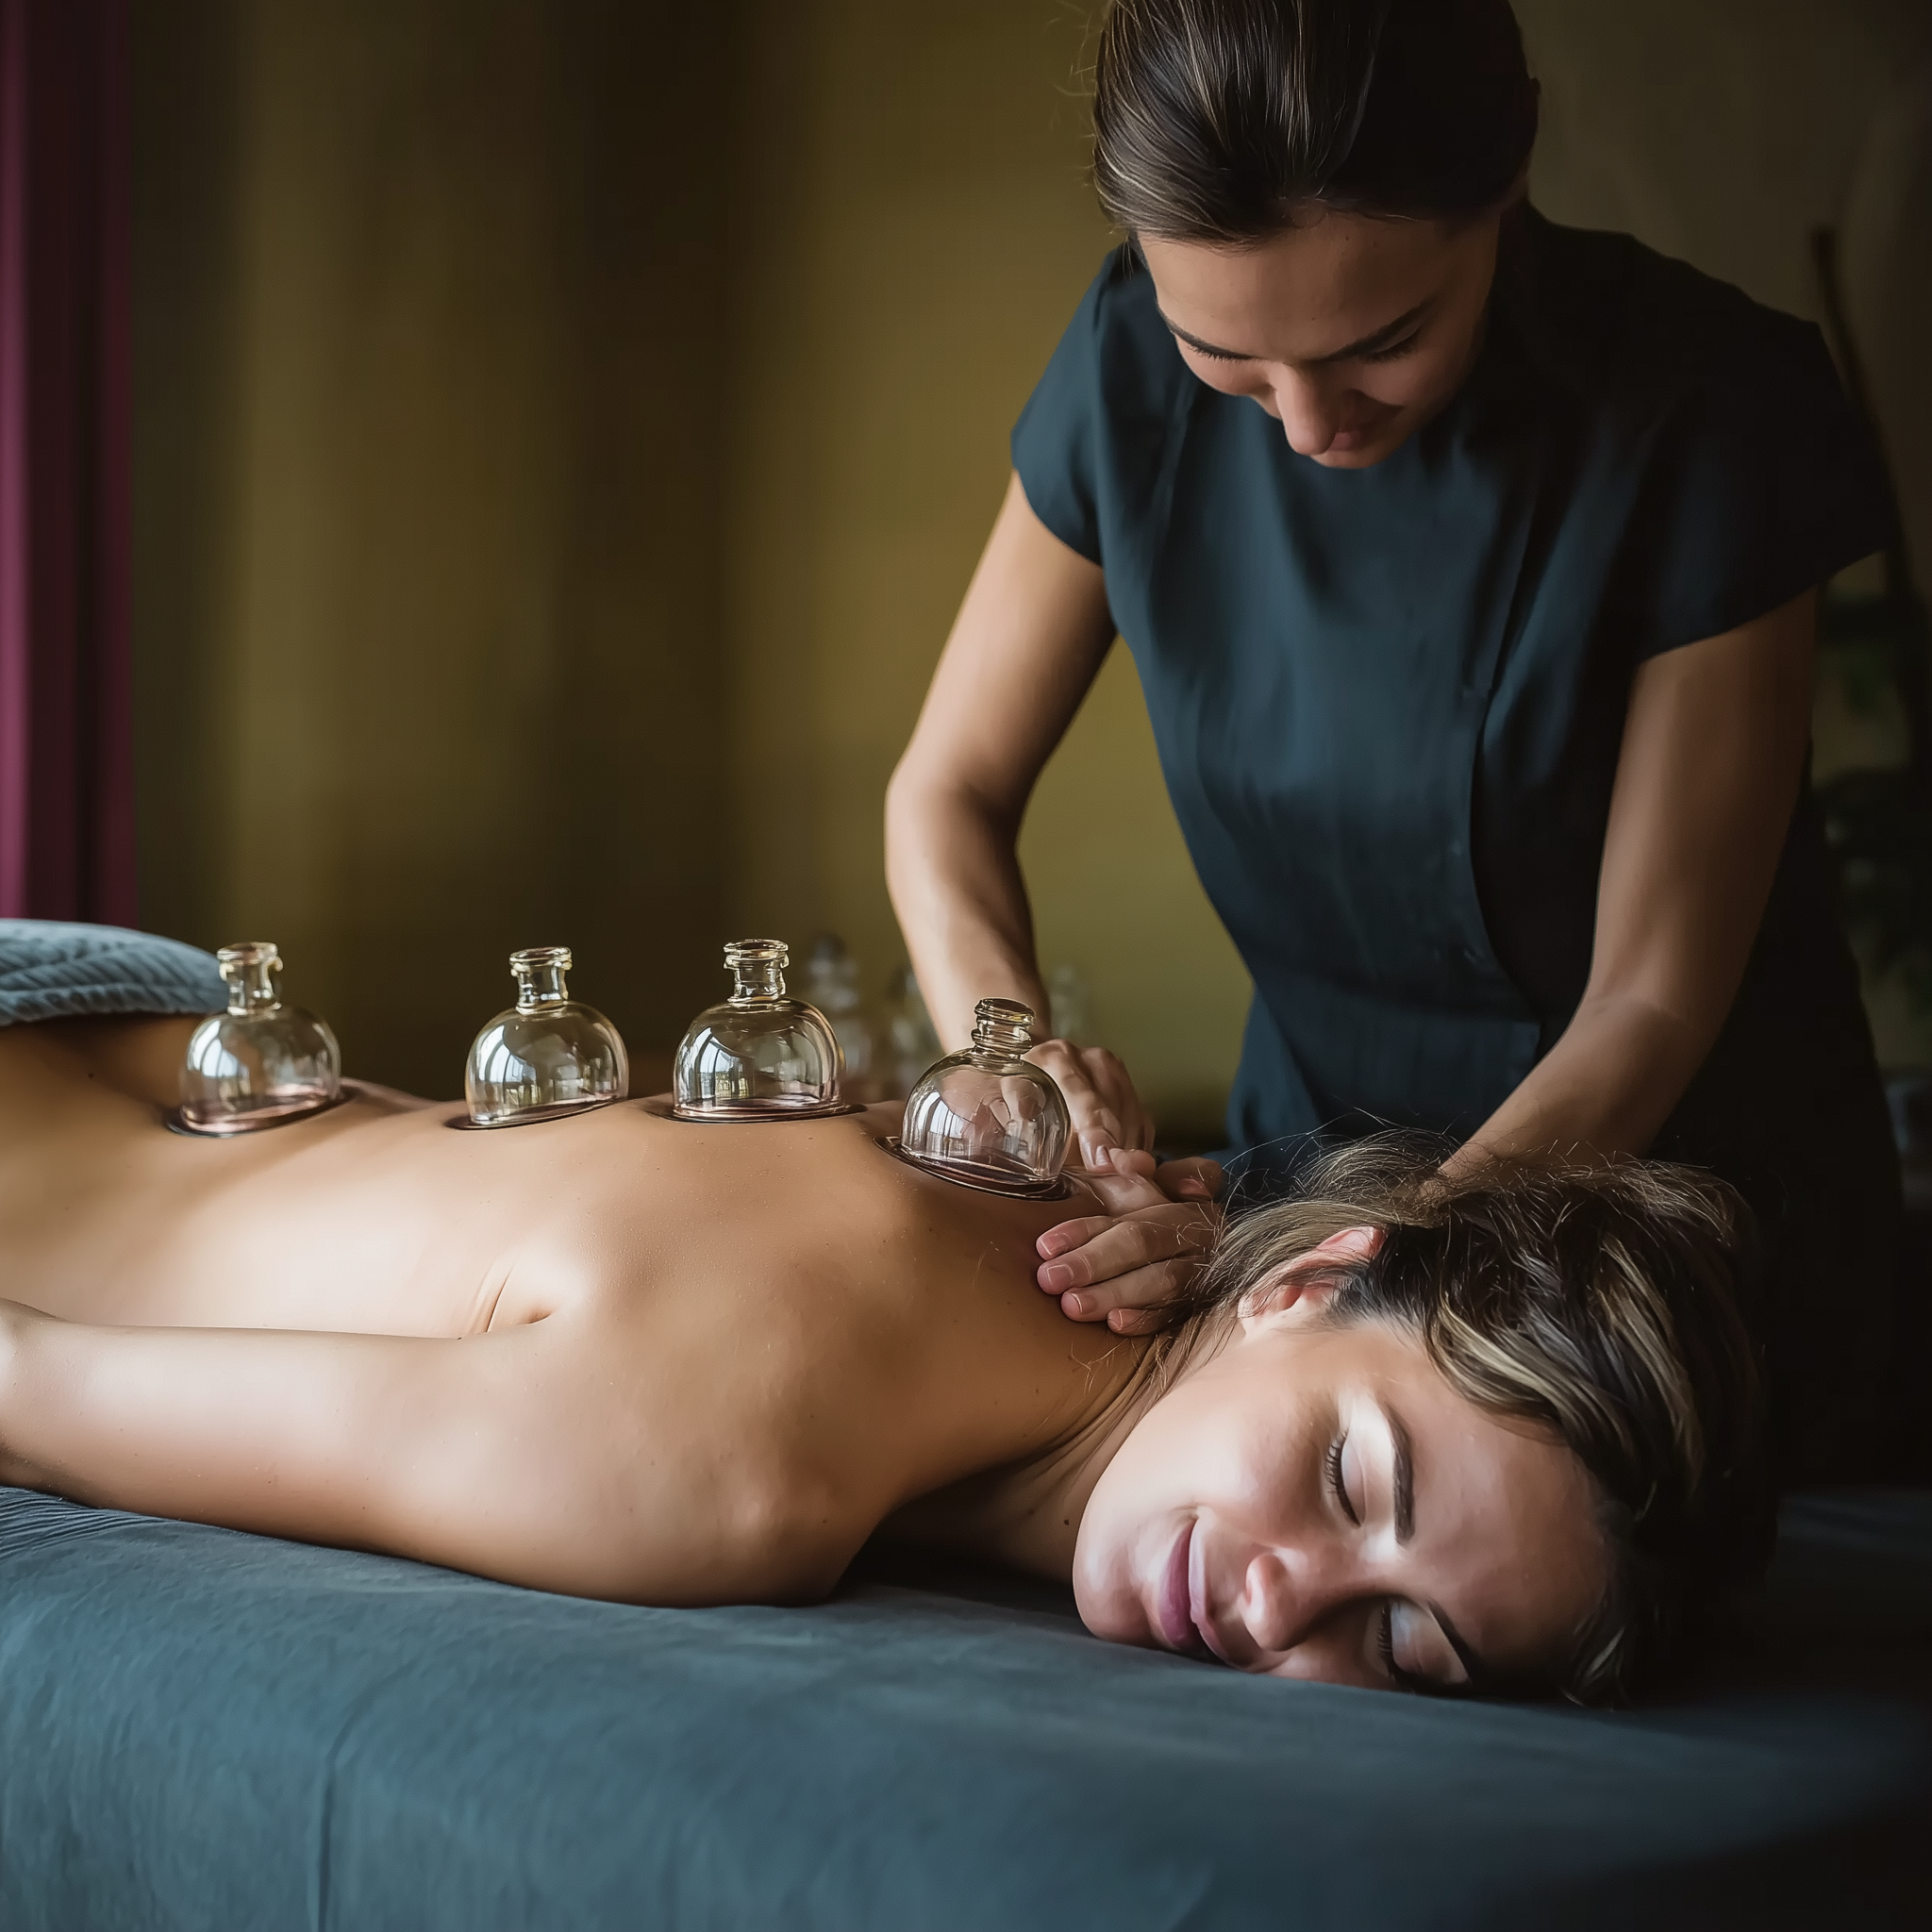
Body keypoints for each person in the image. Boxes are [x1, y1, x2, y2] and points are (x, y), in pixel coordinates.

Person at [885, 0, 1904, 1486]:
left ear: (1509, 176)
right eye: (1224, 358)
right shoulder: (1121, 367)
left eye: (1382, 345)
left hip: (1661, 1272)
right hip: (1301, 1209)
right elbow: (949, 790)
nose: (1304, 424)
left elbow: (1650, 1004)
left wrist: (1375, 1265)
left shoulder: (1704, 410)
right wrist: (1016, 1059)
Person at [0, 926, 1768, 1704]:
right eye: (1351, 1481)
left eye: (1399, 1652)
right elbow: (27, 1380)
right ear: (1306, 1286)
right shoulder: (734, 1470)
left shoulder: (1089, 1208)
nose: (1284, 1598)